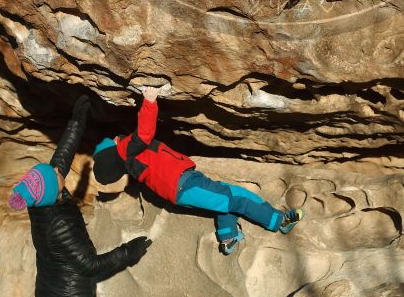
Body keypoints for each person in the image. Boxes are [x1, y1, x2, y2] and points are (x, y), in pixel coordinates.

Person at [92, 86, 304, 255]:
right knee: (237, 196)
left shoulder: (130, 161)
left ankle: (228, 237)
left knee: (224, 200)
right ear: (113, 150)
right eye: (113, 141)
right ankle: (279, 221)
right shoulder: (125, 150)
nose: (117, 138)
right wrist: (149, 102)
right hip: (185, 184)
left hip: (184, 184)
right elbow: (144, 134)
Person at [9, 96, 151, 297]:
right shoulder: (59, 225)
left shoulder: (39, 199)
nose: (58, 170)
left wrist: (76, 122)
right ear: (54, 192)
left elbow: (60, 160)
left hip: (49, 293)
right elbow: (91, 266)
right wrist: (128, 252)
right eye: (56, 174)